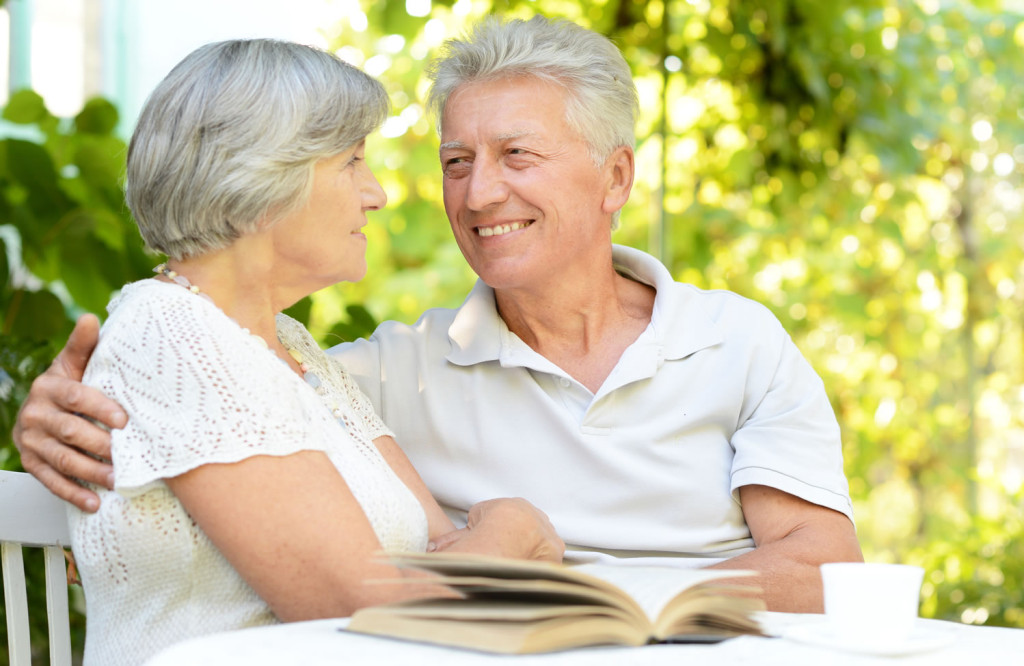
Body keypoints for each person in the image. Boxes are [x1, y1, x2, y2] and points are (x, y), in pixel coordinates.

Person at [13, 16, 862, 614]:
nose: (477, 192)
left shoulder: (739, 341)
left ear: (616, 180)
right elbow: (197, 409)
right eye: (457, 160)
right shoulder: (383, 368)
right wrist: (58, 417)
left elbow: (826, 569)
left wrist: (600, 602)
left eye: (517, 156)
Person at [43, 38, 562, 666]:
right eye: (352, 162)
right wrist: (515, 528)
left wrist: (470, 560)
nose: (376, 194)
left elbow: (437, 553)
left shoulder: (288, 347)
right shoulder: (171, 334)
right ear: (262, 177)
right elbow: (371, 610)